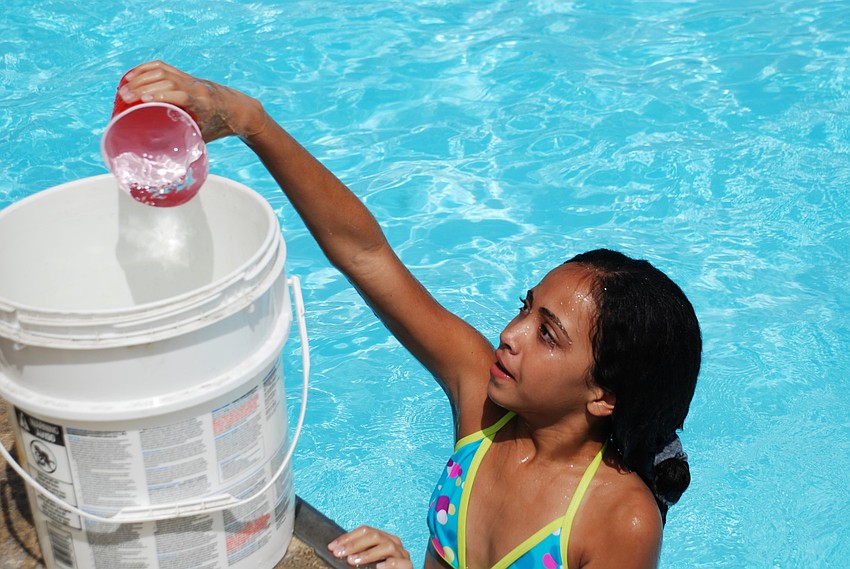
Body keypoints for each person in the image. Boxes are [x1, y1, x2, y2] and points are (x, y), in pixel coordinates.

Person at [119, 61, 701, 569]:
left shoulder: (618, 520)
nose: (510, 334)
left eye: (547, 334)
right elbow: (365, 255)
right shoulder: (485, 409)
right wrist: (251, 121)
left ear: (604, 395)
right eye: (524, 309)